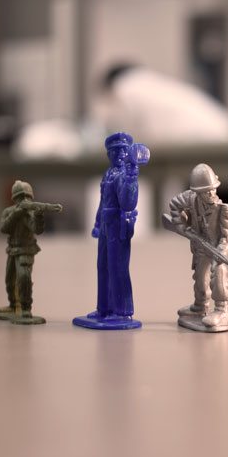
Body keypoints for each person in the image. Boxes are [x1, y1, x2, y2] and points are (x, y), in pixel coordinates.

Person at [73, 133, 149, 330]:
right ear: (109, 154)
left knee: (118, 267)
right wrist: (98, 223)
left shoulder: (126, 174)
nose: (120, 154)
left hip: (118, 224)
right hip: (107, 224)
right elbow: (103, 201)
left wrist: (131, 177)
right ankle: (104, 308)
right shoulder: (108, 174)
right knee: (103, 266)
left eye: (123, 150)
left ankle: (122, 311)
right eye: (115, 151)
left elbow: (128, 203)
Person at [91, 62, 228, 146]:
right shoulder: (148, 82)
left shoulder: (125, 88)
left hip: (208, 142)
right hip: (227, 132)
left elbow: (124, 135)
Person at [168, 163, 228, 331]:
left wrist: (221, 251)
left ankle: (221, 311)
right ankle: (200, 307)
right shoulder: (190, 198)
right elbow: (174, 205)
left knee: (219, 272)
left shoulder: (223, 209)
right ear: (197, 192)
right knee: (200, 277)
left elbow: (226, 237)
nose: (211, 193)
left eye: (213, 189)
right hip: (199, 247)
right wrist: (181, 226)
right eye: (206, 191)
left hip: (215, 248)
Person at [0, 180, 62, 325]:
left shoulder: (29, 214)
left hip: (26, 250)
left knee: (24, 279)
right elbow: (4, 228)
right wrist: (15, 215)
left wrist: (38, 216)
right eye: (20, 197)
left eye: (27, 197)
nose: (24, 200)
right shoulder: (9, 212)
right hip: (12, 249)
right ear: (15, 198)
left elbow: (37, 230)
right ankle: (13, 305)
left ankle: (25, 308)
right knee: (10, 281)